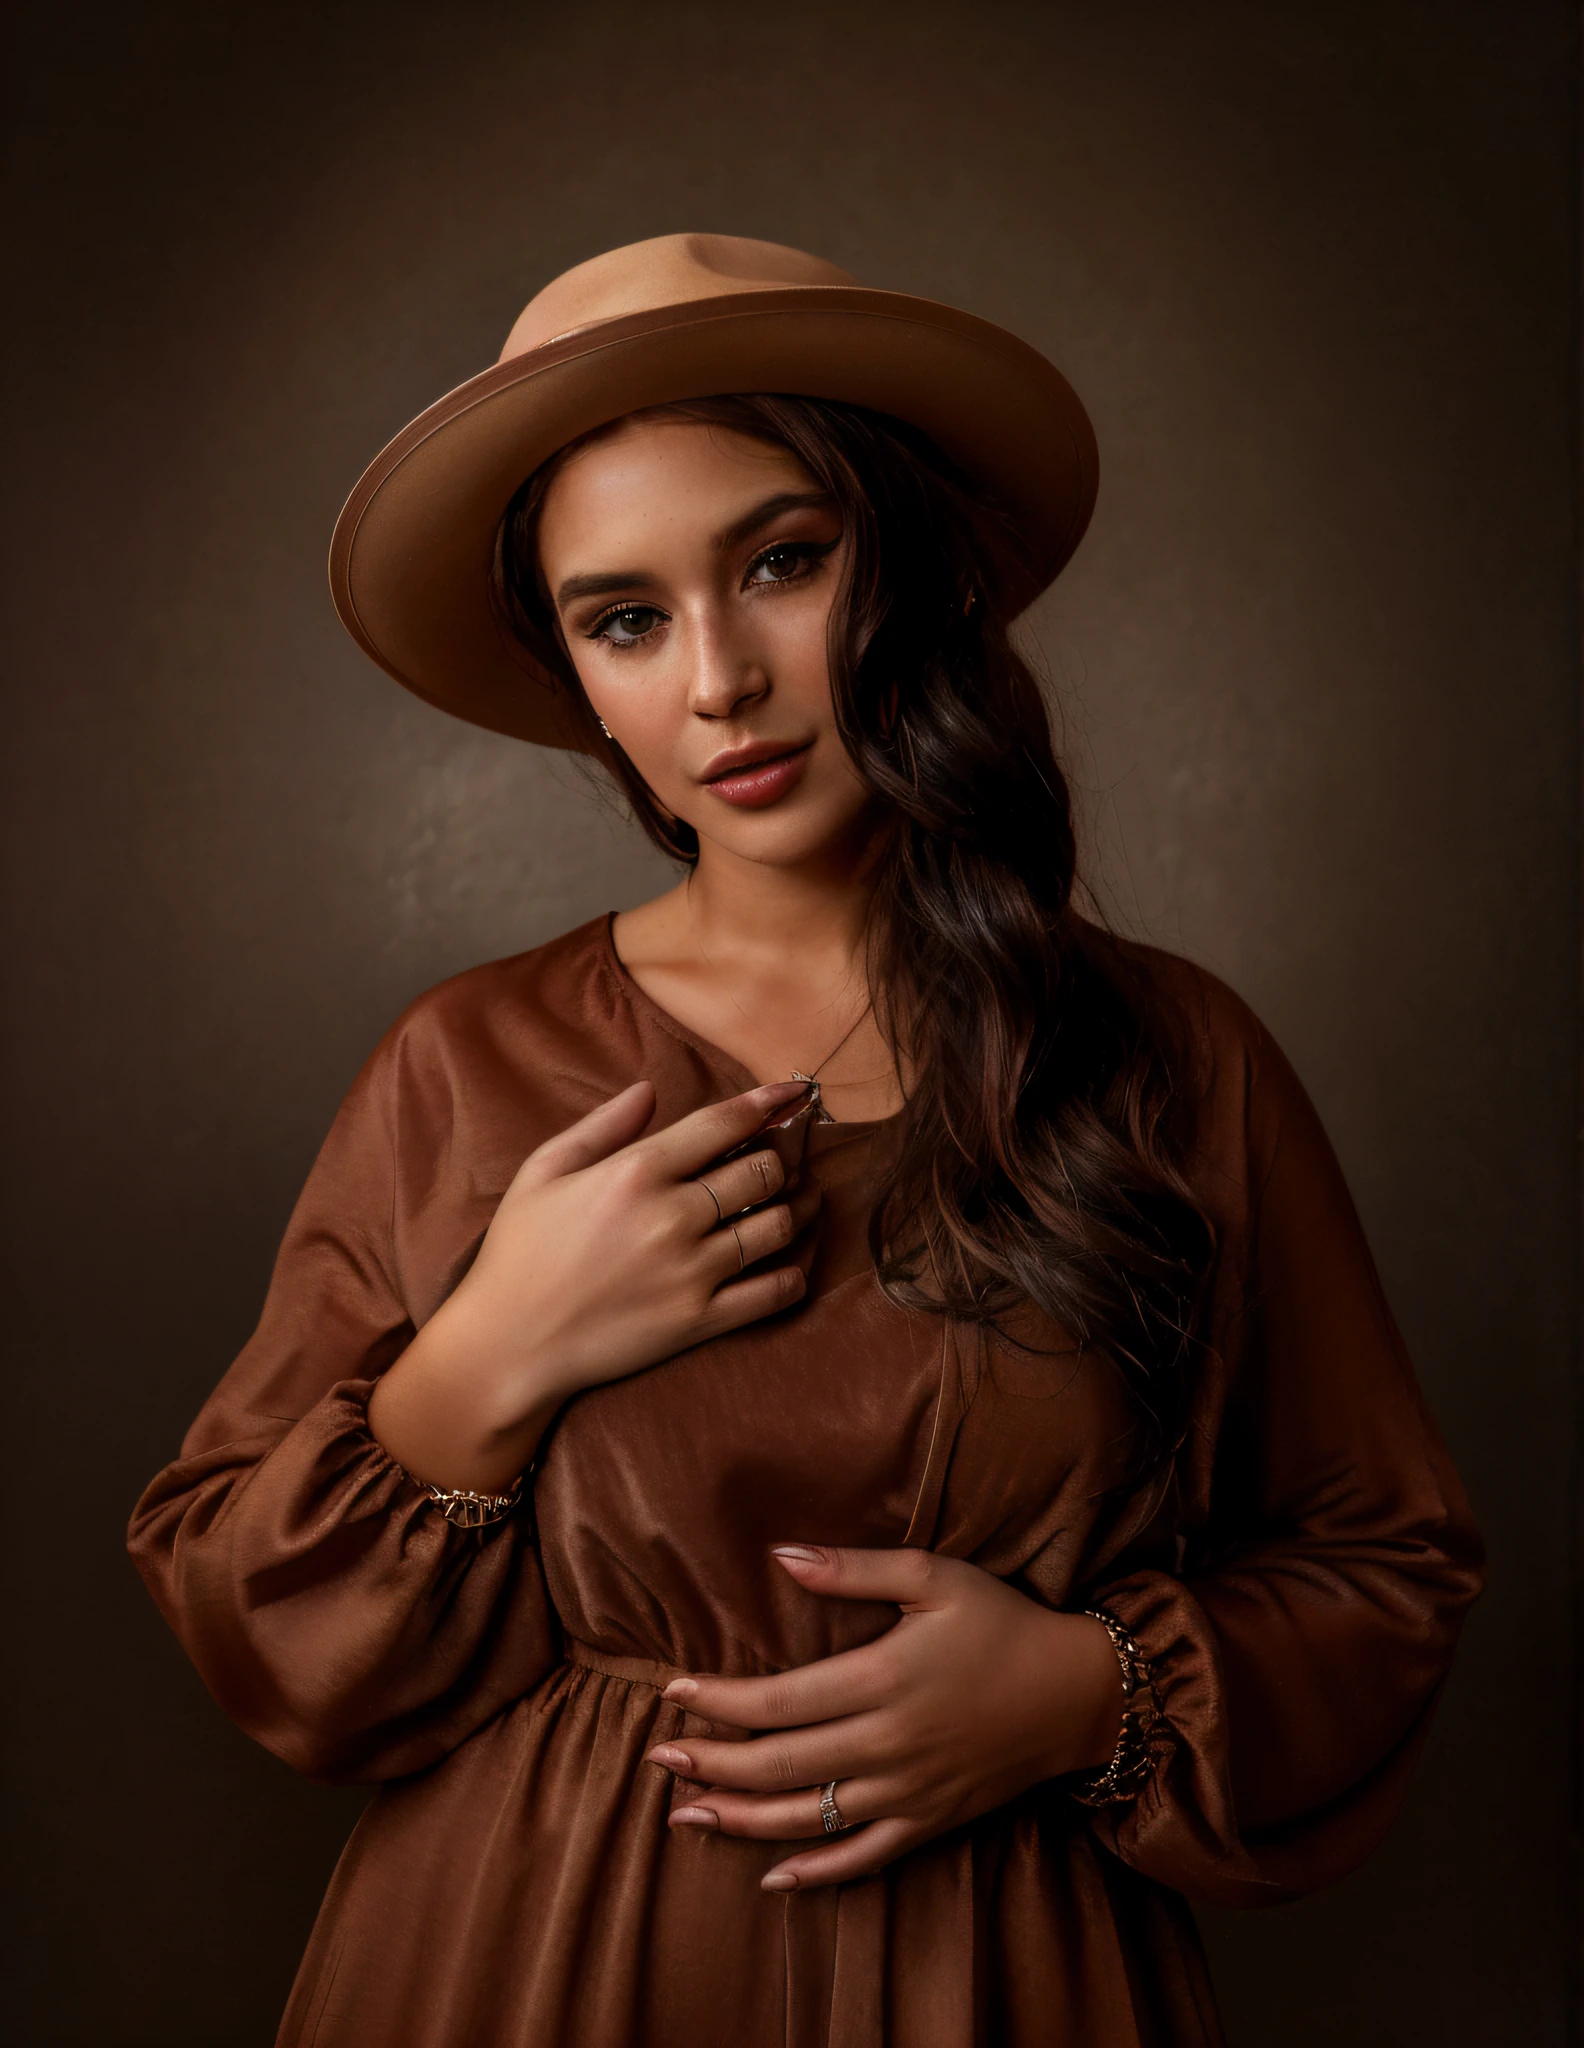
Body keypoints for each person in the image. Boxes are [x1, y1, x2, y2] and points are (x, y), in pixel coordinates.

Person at [128, 234, 1483, 2048]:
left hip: (1004, 1980)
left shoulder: (1172, 1059)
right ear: (580, 683)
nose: (717, 682)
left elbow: (1384, 1565)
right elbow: (248, 1616)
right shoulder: (465, 1064)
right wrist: (487, 1358)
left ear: (910, 566)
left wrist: (1087, 1696)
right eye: (625, 619)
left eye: (780, 564)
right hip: (516, 1970)